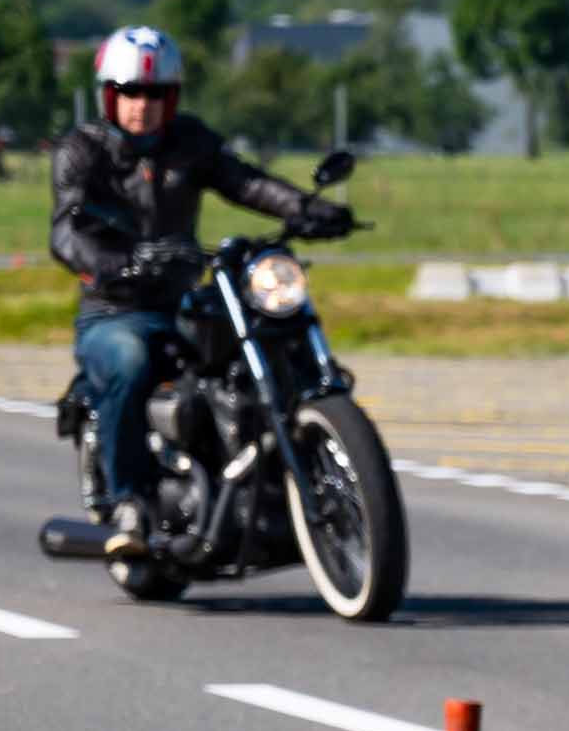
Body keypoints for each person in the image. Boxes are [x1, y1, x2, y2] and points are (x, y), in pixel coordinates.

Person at [47, 27, 350, 557]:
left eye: (156, 94)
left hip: (183, 299)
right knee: (131, 360)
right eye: (131, 93)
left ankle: (289, 484)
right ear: (109, 96)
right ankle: (130, 505)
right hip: (115, 310)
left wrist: (306, 209)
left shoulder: (190, 142)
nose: (143, 106)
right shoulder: (83, 151)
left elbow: (245, 182)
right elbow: (65, 231)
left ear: (173, 97)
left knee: (269, 343)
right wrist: (121, 261)